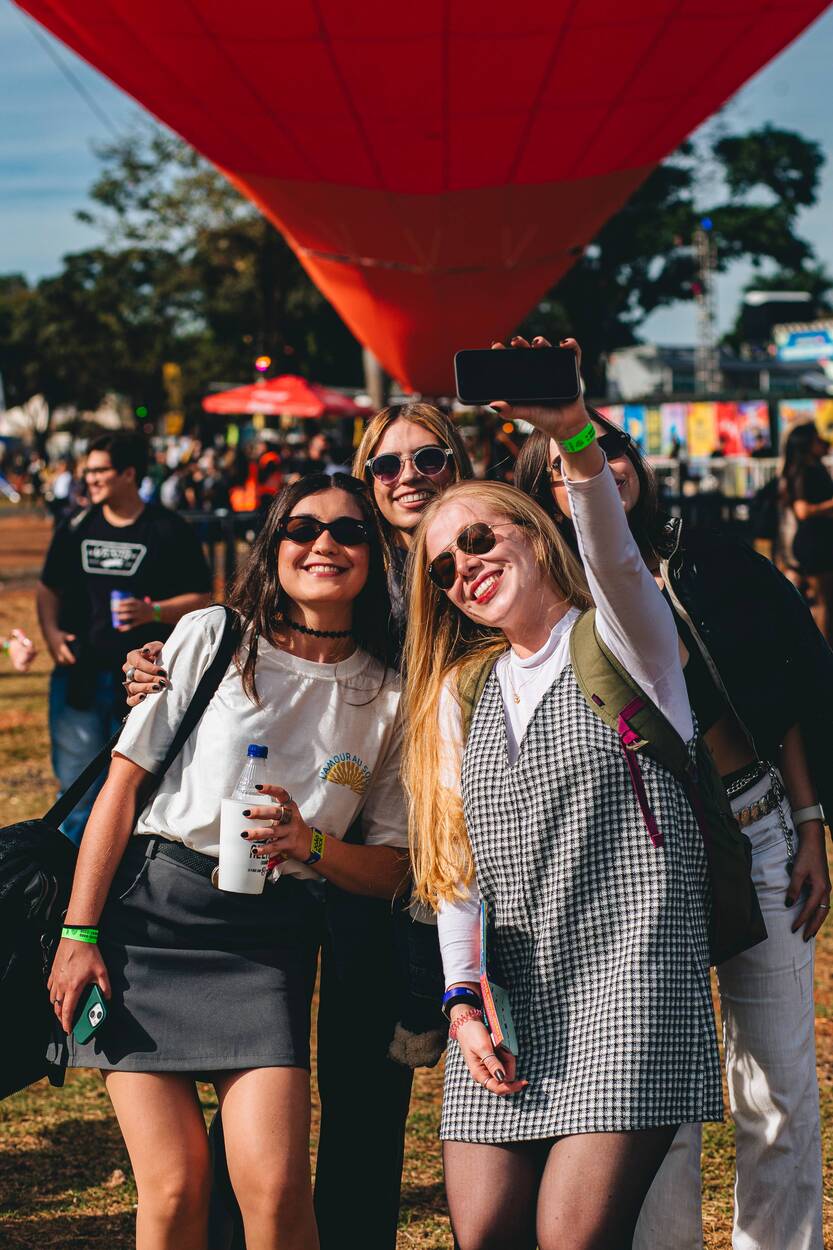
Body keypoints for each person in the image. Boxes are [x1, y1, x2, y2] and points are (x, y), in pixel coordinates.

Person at [123, 404, 475, 1250]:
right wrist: (161, 662)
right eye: (385, 464)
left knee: (364, 1093)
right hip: (296, 867)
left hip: (414, 857)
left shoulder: (477, 557)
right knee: (258, 1090)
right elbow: (260, 646)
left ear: (459, 464)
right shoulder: (348, 564)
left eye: (429, 458)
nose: (408, 477)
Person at [403, 337, 723, 1250]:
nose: (463, 568)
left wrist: (573, 434)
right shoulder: (460, 692)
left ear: (535, 534)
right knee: (485, 1236)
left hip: (631, 983)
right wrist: (460, 1001)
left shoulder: (625, 642)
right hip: (509, 996)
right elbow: (454, 867)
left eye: (478, 539)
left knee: (570, 1239)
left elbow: (613, 557)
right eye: (442, 567)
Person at [47, 472, 410, 1250]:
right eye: (301, 528)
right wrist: (78, 934)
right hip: (149, 925)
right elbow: (121, 788)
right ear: (273, 545)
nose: (323, 544)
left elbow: (393, 867)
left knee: (276, 1194)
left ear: (375, 554)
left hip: (268, 946)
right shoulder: (214, 635)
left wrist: (310, 844)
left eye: (348, 532)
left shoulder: (388, 693)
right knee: (175, 1187)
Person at [515, 398, 831, 1250]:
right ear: (542, 499)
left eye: (609, 447)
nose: (601, 465)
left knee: (779, 1089)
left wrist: (807, 823)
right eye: (564, 465)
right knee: (660, 1099)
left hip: (759, 833)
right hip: (641, 861)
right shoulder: (547, 604)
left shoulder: (713, 563)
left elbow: (783, 695)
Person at [36, 431, 212, 845]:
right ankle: (65, 879)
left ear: (129, 474)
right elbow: (48, 588)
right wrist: (52, 634)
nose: (90, 479)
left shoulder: (167, 528)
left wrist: (153, 612)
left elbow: (203, 599)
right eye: (88, 471)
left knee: (137, 794)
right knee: (75, 794)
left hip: (144, 685)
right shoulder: (76, 526)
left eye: (100, 470)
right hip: (79, 676)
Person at [782, 421, 833, 645]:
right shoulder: (805, 472)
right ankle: (824, 650)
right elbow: (802, 510)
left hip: (816, 540)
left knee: (818, 600)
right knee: (824, 602)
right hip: (815, 542)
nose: (822, 442)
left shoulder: (812, 468)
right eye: (816, 439)